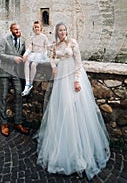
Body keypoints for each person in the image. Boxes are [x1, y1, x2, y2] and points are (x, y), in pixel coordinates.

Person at [36, 23, 110, 180]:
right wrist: (54, 67)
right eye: (59, 31)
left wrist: (77, 81)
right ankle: (63, 147)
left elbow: (78, 62)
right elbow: (52, 57)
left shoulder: (73, 42)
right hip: (61, 79)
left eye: (64, 30)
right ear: (57, 32)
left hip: (73, 78)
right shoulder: (56, 45)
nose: (62, 32)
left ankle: (81, 148)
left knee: (76, 109)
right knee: (62, 108)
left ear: (66, 31)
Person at [0, 23, 29, 136]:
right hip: (4, 72)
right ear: (11, 30)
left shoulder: (23, 41)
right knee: (3, 97)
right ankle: (4, 123)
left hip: (16, 73)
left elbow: (24, 54)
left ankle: (18, 122)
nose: (18, 31)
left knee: (19, 95)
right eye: (15, 29)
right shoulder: (4, 40)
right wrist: (13, 58)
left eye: (19, 29)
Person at [22, 21, 50, 96]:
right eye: (35, 27)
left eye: (38, 27)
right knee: (27, 62)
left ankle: (31, 82)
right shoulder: (32, 37)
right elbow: (30, 47)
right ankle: (27, 83)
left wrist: (44, 54)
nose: (36, 28)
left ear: (41, 28)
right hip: (34, 53)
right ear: (33, 28)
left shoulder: (44, 37)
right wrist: (25, 54)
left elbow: (47, 47)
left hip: (41, 54)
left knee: (33, 65)